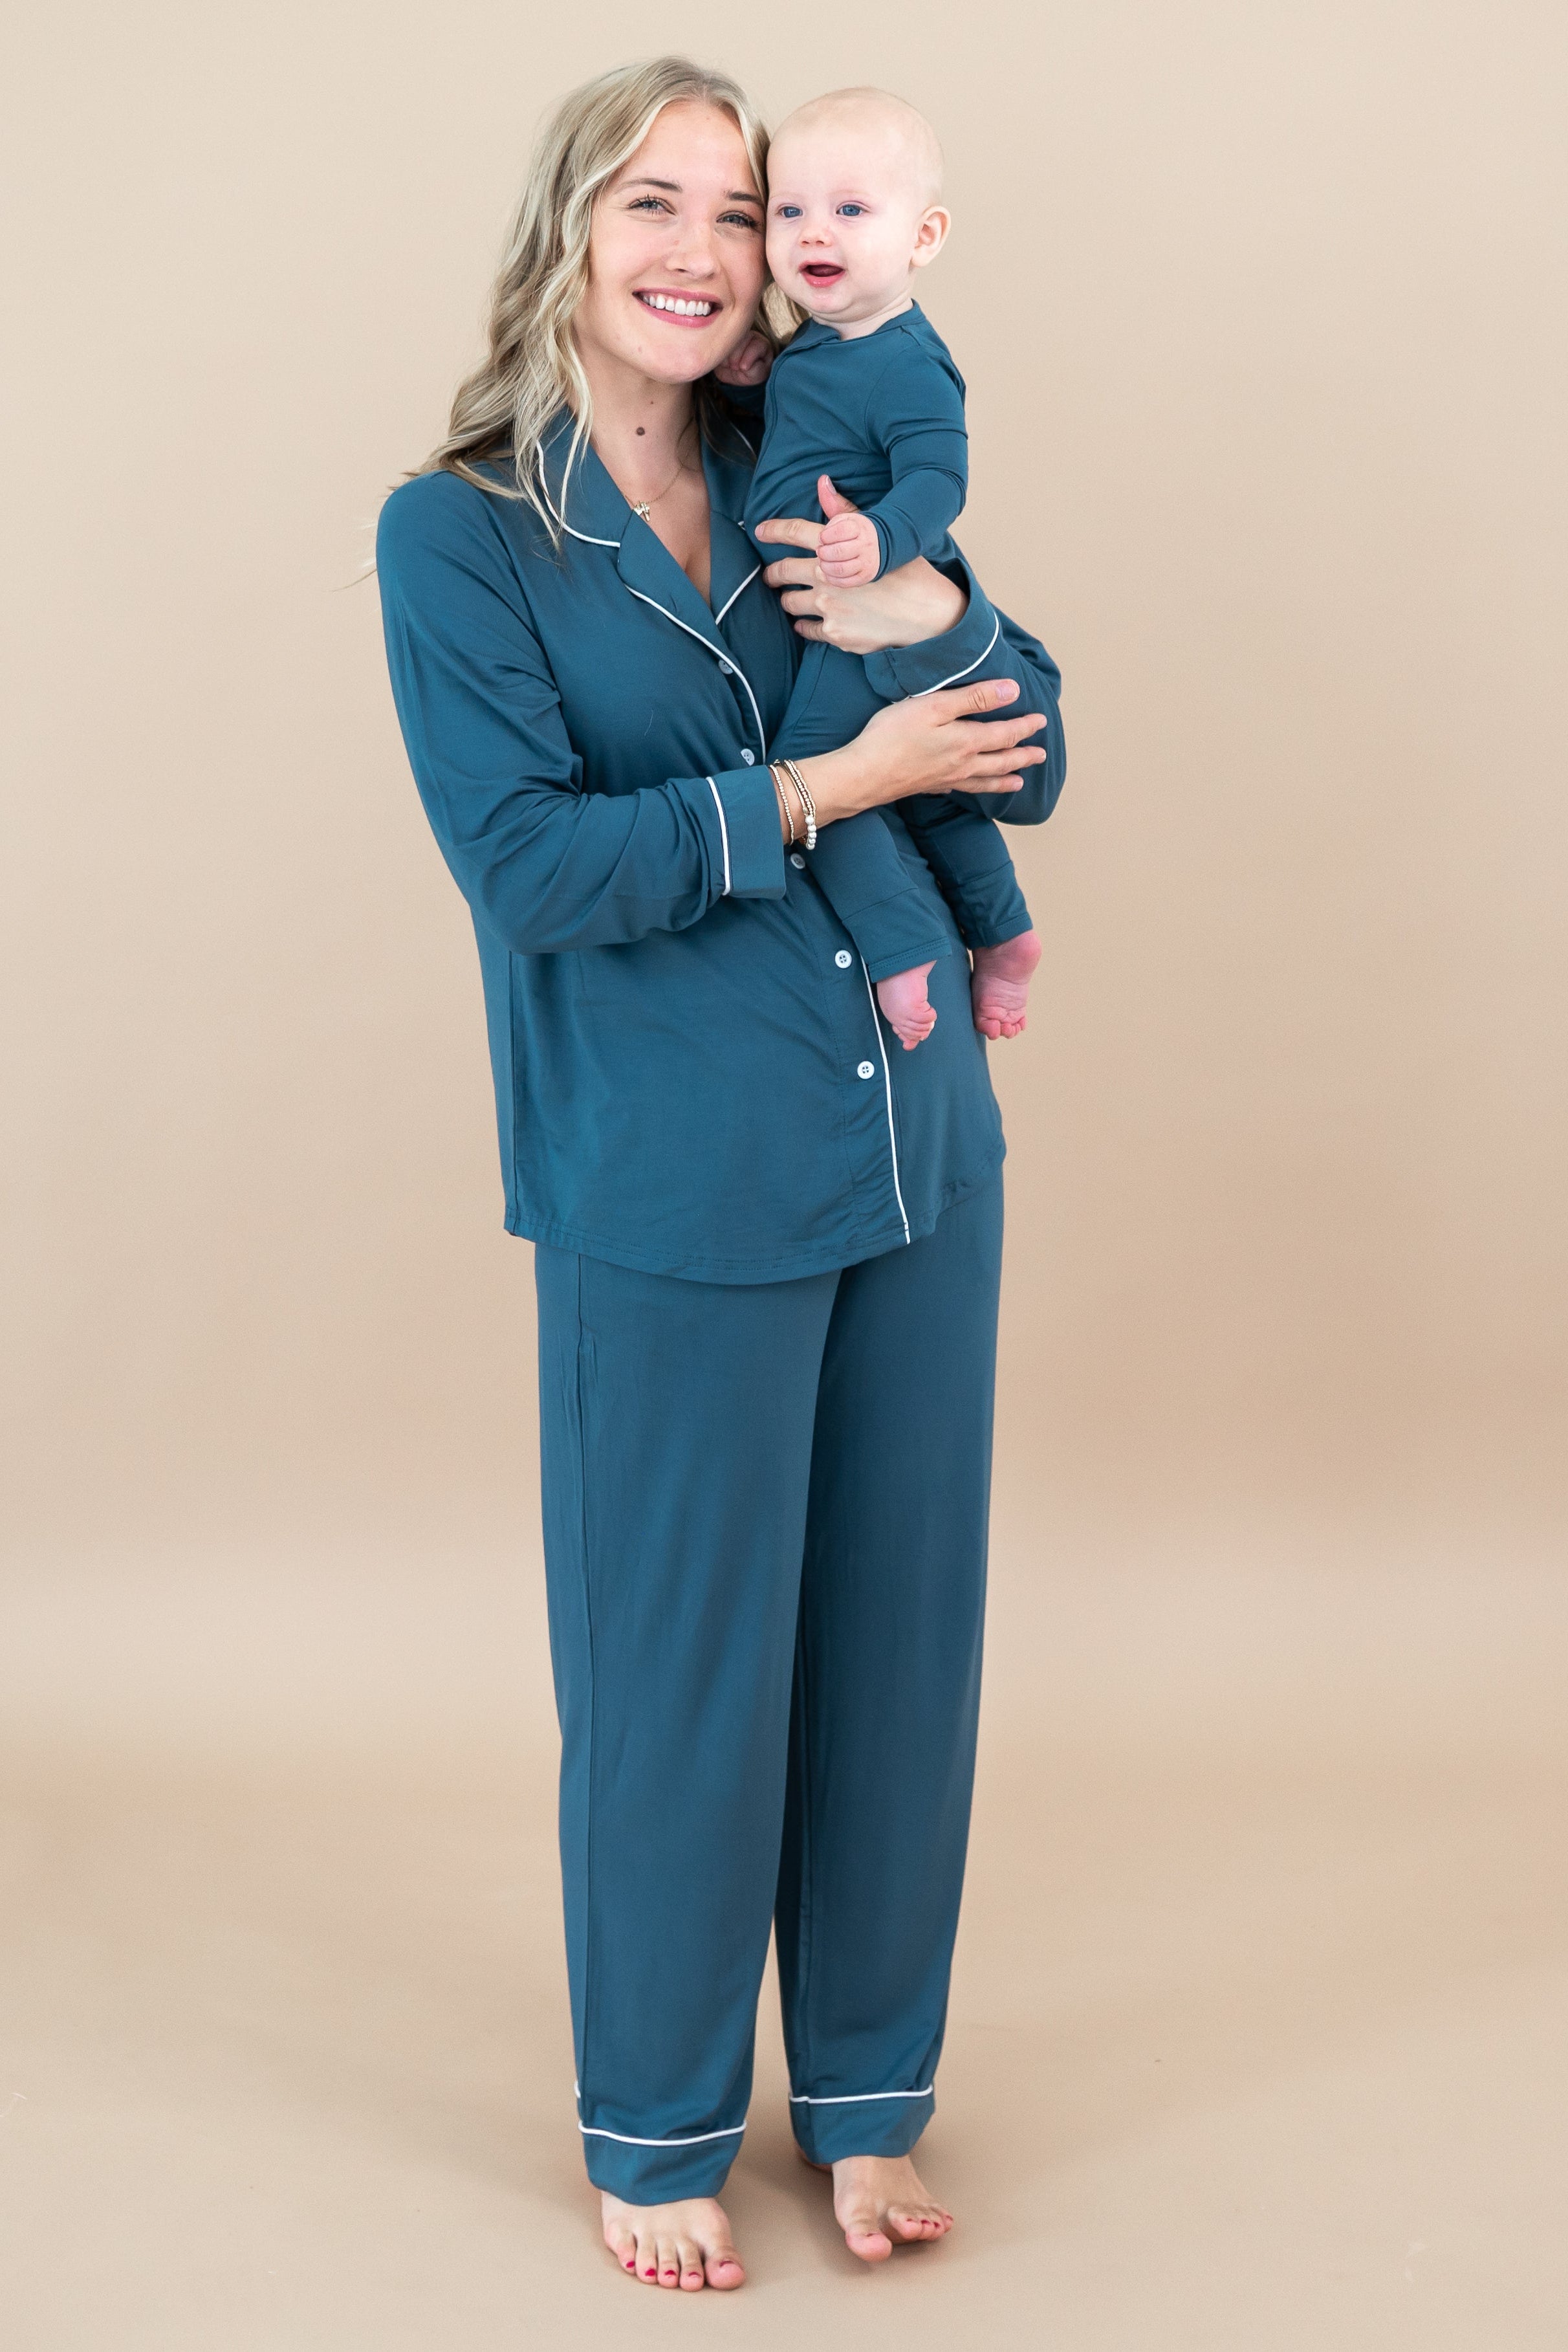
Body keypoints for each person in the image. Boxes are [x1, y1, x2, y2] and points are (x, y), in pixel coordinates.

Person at [375, 54, 1065, 2292]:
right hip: (667, 1178)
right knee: (682, 1667)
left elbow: (1026, 733)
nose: (697, 250)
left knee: (893, 1645)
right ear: (570, 235)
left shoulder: (822, 461)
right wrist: (827, 783)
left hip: (911, 1143)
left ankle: (864, 2103)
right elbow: (531, 866)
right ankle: (655, 2115)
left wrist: (925, 615)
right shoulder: (461, 529)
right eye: (647, 204)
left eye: (739, 210)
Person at [721, 85, 1042, 1052]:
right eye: (790, 210)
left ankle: (902, 961)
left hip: (861, 615)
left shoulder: (907, 361)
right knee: (925, 790)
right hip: (829, 609)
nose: (815, 230)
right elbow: (804, 441)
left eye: (852, 210)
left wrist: (883, 541)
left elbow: (939, 477)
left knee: (826, 784)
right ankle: (1006, 933)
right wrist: (752, 386)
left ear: (923, 236)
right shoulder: (817, 349)